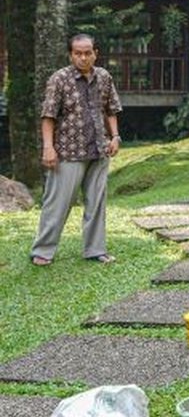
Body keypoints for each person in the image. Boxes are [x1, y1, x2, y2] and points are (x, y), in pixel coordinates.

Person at [30, 34, 123, 266]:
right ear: (71, 55)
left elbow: (111, 109)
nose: (83, 57)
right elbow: (48, 116)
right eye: (78, 53)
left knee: (97, 203)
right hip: (68, 152)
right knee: (57, 203)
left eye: (87, 52)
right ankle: (42, 251)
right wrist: (48, 148)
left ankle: (95, 249)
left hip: (99, 150)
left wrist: (115, 137)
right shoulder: (59, 79)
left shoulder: (104, 77)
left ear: (95, 53)